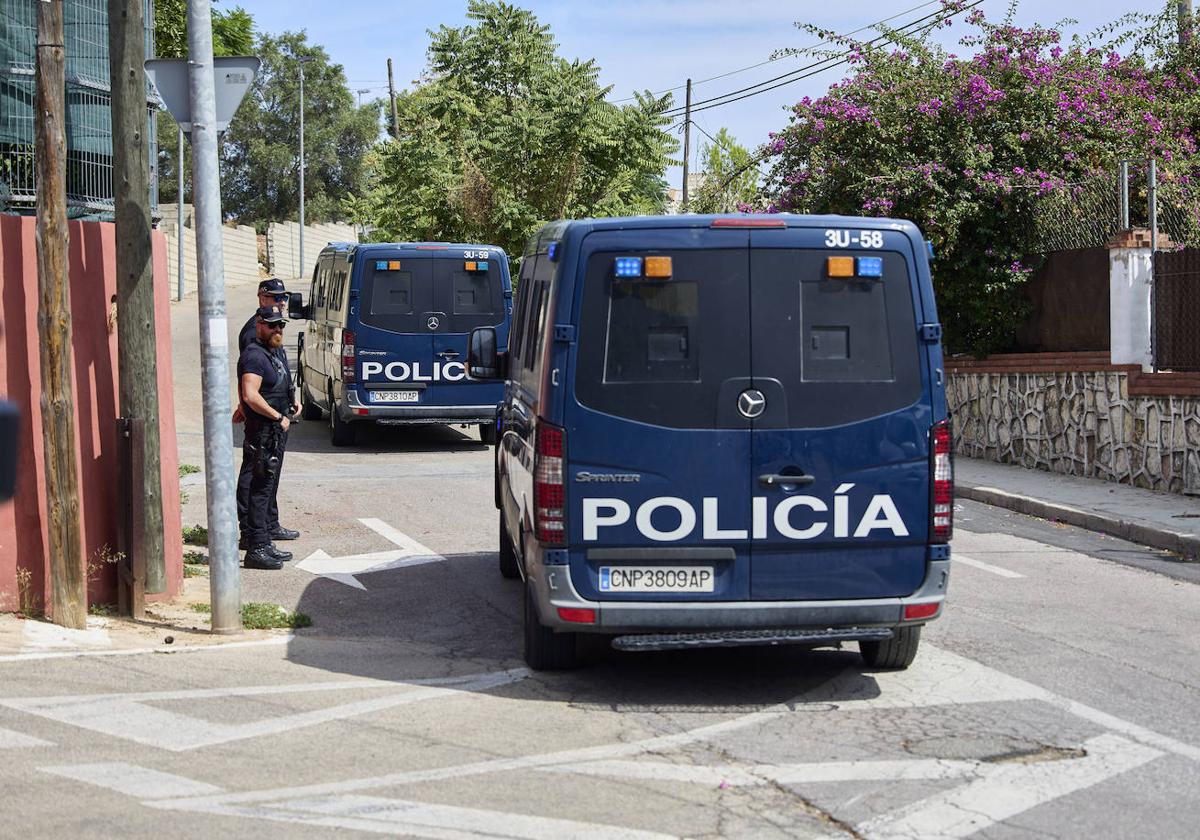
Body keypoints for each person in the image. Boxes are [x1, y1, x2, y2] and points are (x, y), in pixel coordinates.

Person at [236, 305, 299, 570]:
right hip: (262, 431)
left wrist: (292, 403)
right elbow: (250, 394)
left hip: (273, 432)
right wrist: (276, 416)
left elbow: (280, 384)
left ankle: (263, 540)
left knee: (267, 487)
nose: (278, 330)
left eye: (281, 325)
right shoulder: (254, 355)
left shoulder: (272, 352)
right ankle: (255, 547)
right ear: (259, 325)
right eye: (272, 325)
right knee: (259, 489)